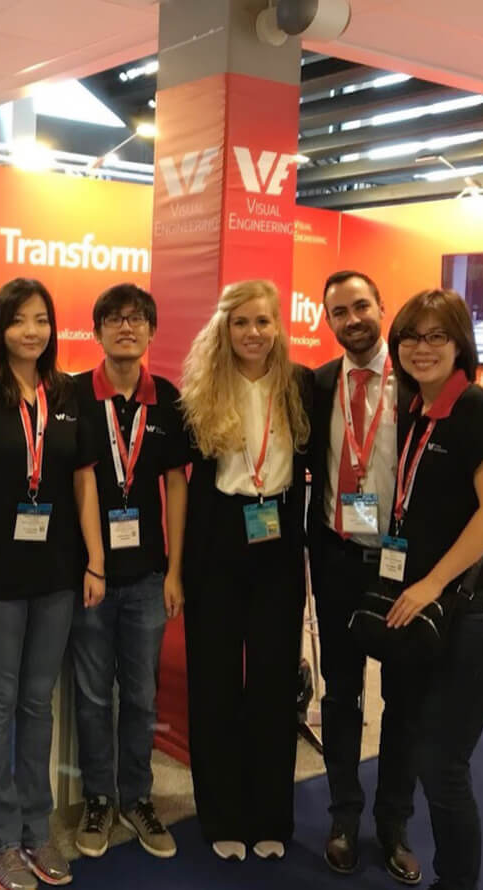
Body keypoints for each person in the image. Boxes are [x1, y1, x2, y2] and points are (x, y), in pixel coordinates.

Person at [0, 278, 104, 890]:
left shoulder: (65, 393)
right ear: (0, 326)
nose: (33, 332)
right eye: (20, 321)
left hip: (57, 574)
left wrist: (95, 560)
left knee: (39, 703)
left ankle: (37, 828)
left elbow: (83, 481)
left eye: (42, 321)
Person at [385, 289, 483, 890]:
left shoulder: (475, 411)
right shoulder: (419, 409)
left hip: (477, 613)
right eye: (411, 336)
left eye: (438, 336)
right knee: (426, 751)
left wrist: (433, 582)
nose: (422, 348)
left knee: (443, 762)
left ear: (461, 343)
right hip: (435, 611)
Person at [179, 278, 311, 863]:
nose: (253, 333)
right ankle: (222, 814)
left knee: (273, 682)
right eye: (241, 323)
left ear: (277, 326)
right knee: (215, 681)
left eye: (263, 322)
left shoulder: (303, 387)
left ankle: (270, 815)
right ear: (223, 329)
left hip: (278, 539)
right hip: (219, 539)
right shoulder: (203, 391)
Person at [308, 271, 422, 884]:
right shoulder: (320, 383)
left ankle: (394, 823)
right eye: (338, 312)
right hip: (336, 562)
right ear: (327, 321)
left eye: (360, 307)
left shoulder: (415, 382)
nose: (351, 319)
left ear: (382, 307)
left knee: (403, 700)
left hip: (402, 567)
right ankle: (344, 817)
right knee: (341, 694)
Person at [70, 283, 188, 860]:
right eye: (115, 319)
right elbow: (77, 477)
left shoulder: (167, 399)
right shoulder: (71, 395)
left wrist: (175, 571)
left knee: (140, 696)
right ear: (98, 331)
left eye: (138, 319)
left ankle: (136, 797)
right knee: (94, 696)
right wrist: (91, 561)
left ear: (150, 332)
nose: (127, 328)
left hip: (146, 576)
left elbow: (175, 484)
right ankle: (98, 798)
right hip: (89, 575)